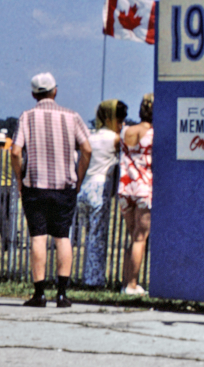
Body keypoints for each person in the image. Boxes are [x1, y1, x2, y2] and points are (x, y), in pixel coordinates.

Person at [11, 72, 92, 308]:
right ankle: (62, 294)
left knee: (38, 236)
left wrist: (20, 179)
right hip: (64, 186)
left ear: (33, 94)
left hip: (35, 186)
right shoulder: (72, 116)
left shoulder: (26, 117)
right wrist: (78, 177)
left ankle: (39, 293)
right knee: (62, 236)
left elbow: (15, 152)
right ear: (55, 91)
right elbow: (87, 149)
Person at [77, 100, 126, 287]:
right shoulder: (115, 139)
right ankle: (93, 279)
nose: (122, 124)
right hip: (100, 188)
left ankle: (84, 275)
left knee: (88, 236)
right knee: (98, 238)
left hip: (84, 188)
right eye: (119, 120)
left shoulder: (91, 137)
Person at [118, 94, 153, 295]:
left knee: (132, 237)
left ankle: (125, 283)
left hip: (125, 187)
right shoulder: (153, 134)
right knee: (140, 238)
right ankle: (132, 284)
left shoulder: (125, 132)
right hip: (143, 187)